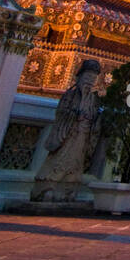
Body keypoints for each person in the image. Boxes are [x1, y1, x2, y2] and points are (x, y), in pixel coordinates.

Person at [31, 59, 102, 202]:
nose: (90, 81)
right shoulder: (71, 95)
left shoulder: (93, 99)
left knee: (76, 162)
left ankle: (68, 190)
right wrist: (75, 114)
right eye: (87, 77)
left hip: (83, 135)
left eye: (93, 78)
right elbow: (62, 111)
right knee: (60, 159)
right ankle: (47, 188)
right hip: (69, 132)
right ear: (80, 77)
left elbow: (95, 115)